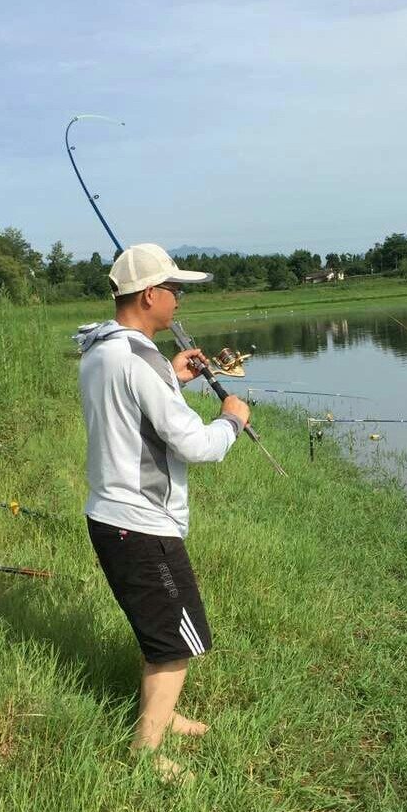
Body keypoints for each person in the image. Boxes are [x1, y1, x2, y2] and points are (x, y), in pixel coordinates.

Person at [76, 242, 250, 769]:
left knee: (159, 629)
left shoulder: (102, 349)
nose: (178, 300)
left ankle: (165, 715)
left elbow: (130, 402)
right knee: (177, 640)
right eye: (173, 290)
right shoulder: (138, 358)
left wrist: (173, 377)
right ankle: (147, 753)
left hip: (111, 515)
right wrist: (232, 419)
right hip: (140, 524)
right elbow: (195, 445)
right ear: (149, 294)